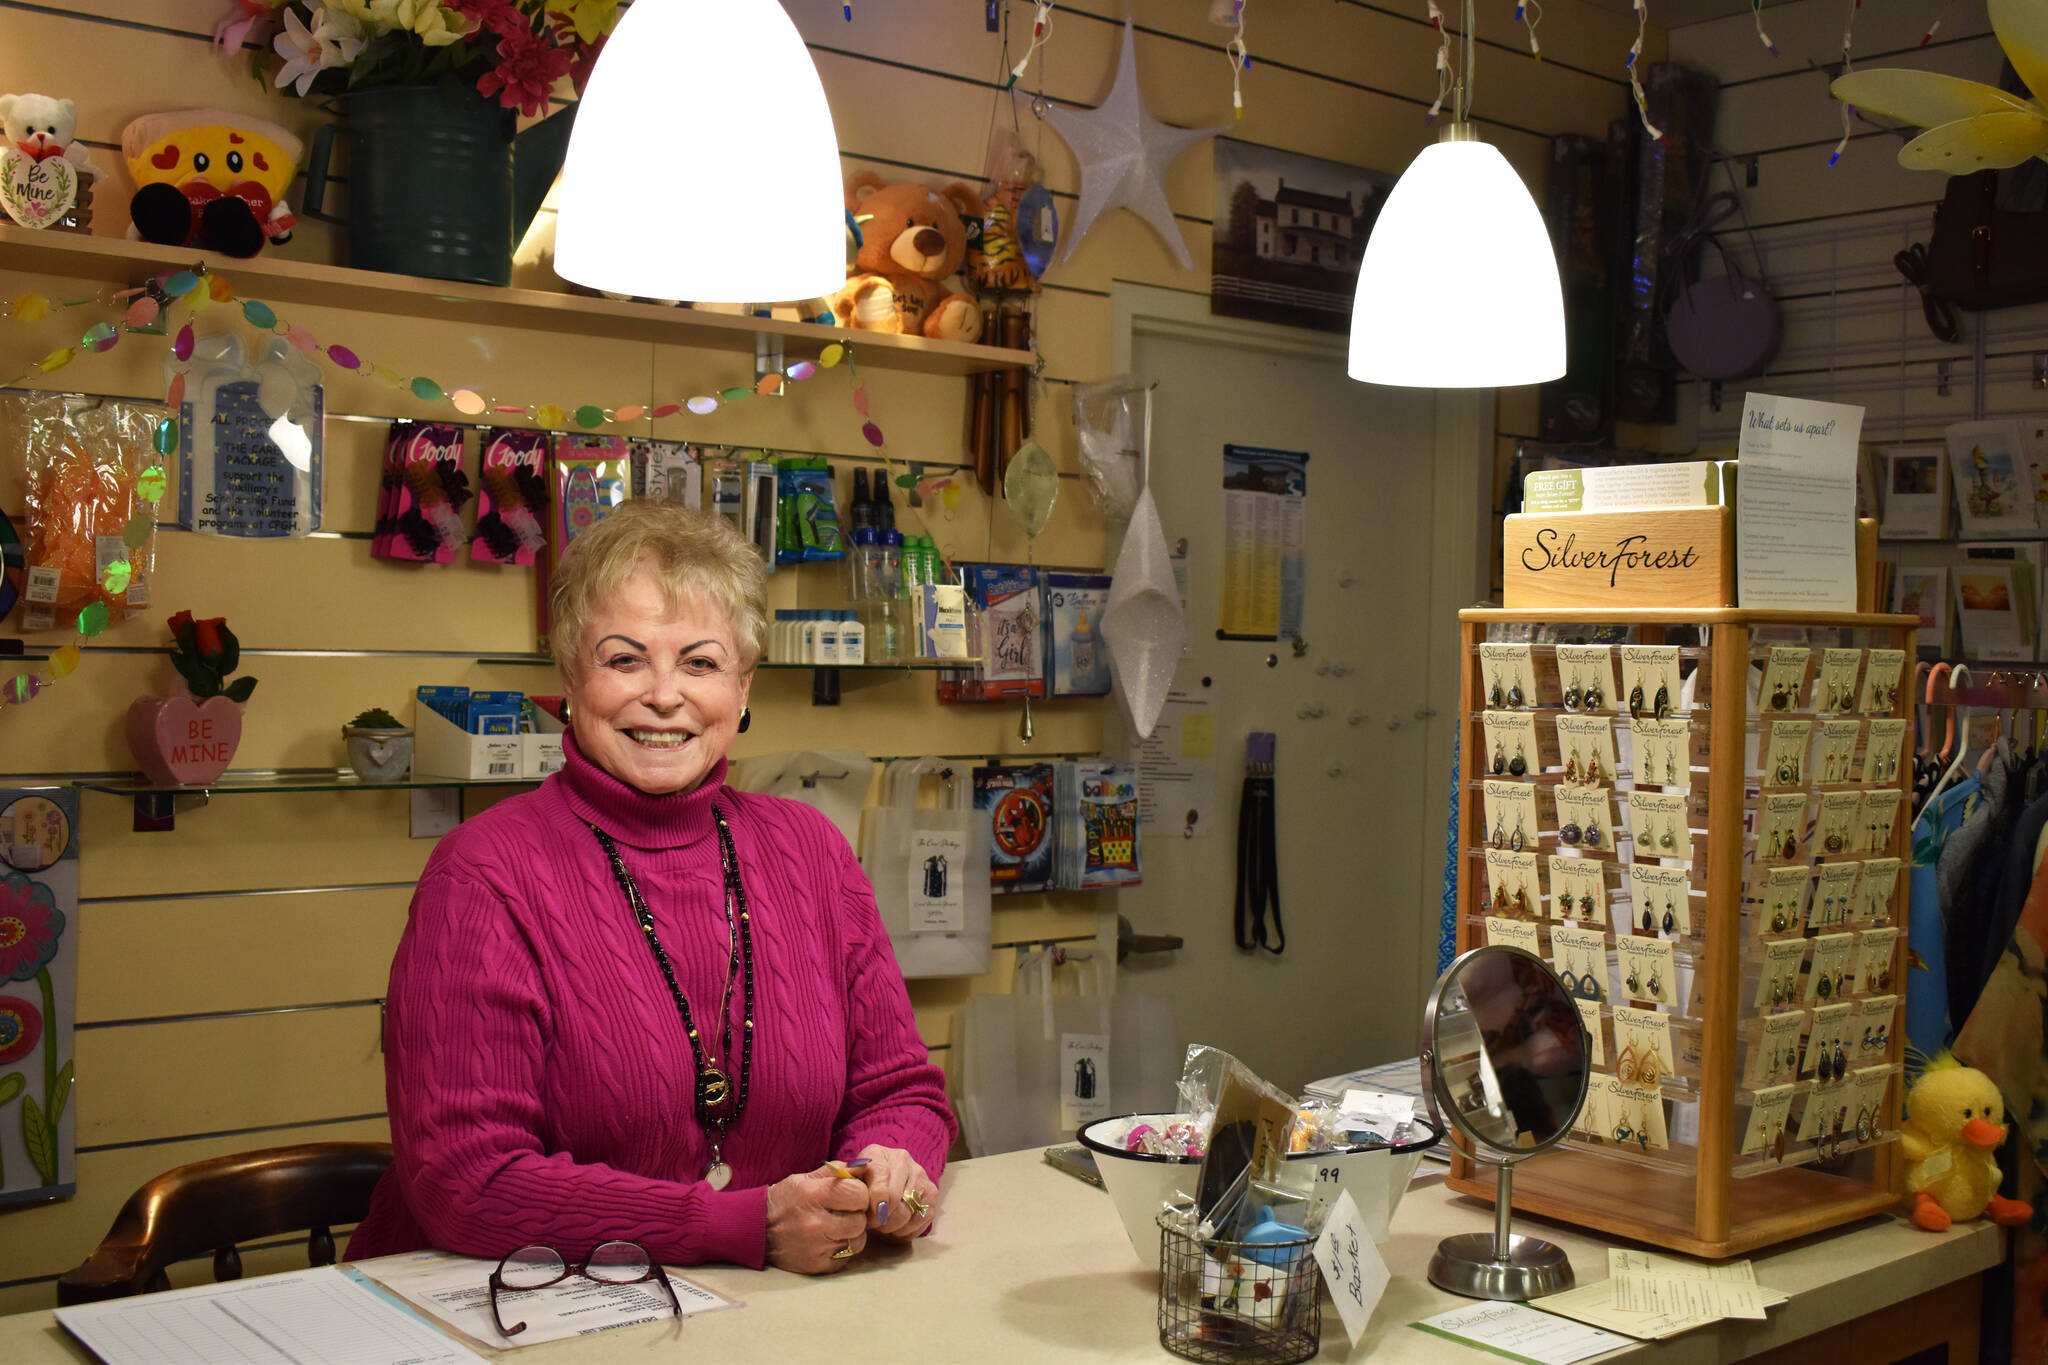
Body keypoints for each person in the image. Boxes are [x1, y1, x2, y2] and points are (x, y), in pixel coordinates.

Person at [349, 501, 957, 1275]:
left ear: (742, 688)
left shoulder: (812, 852)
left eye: (700, 662)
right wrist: (739, 1223)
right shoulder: (482, 876)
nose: (664, 695)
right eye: (625, 659)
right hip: (501, 1317)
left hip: (763, 1316)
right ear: (571, 678)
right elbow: (465, 1179)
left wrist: (890, 1163)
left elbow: (901, 1088)